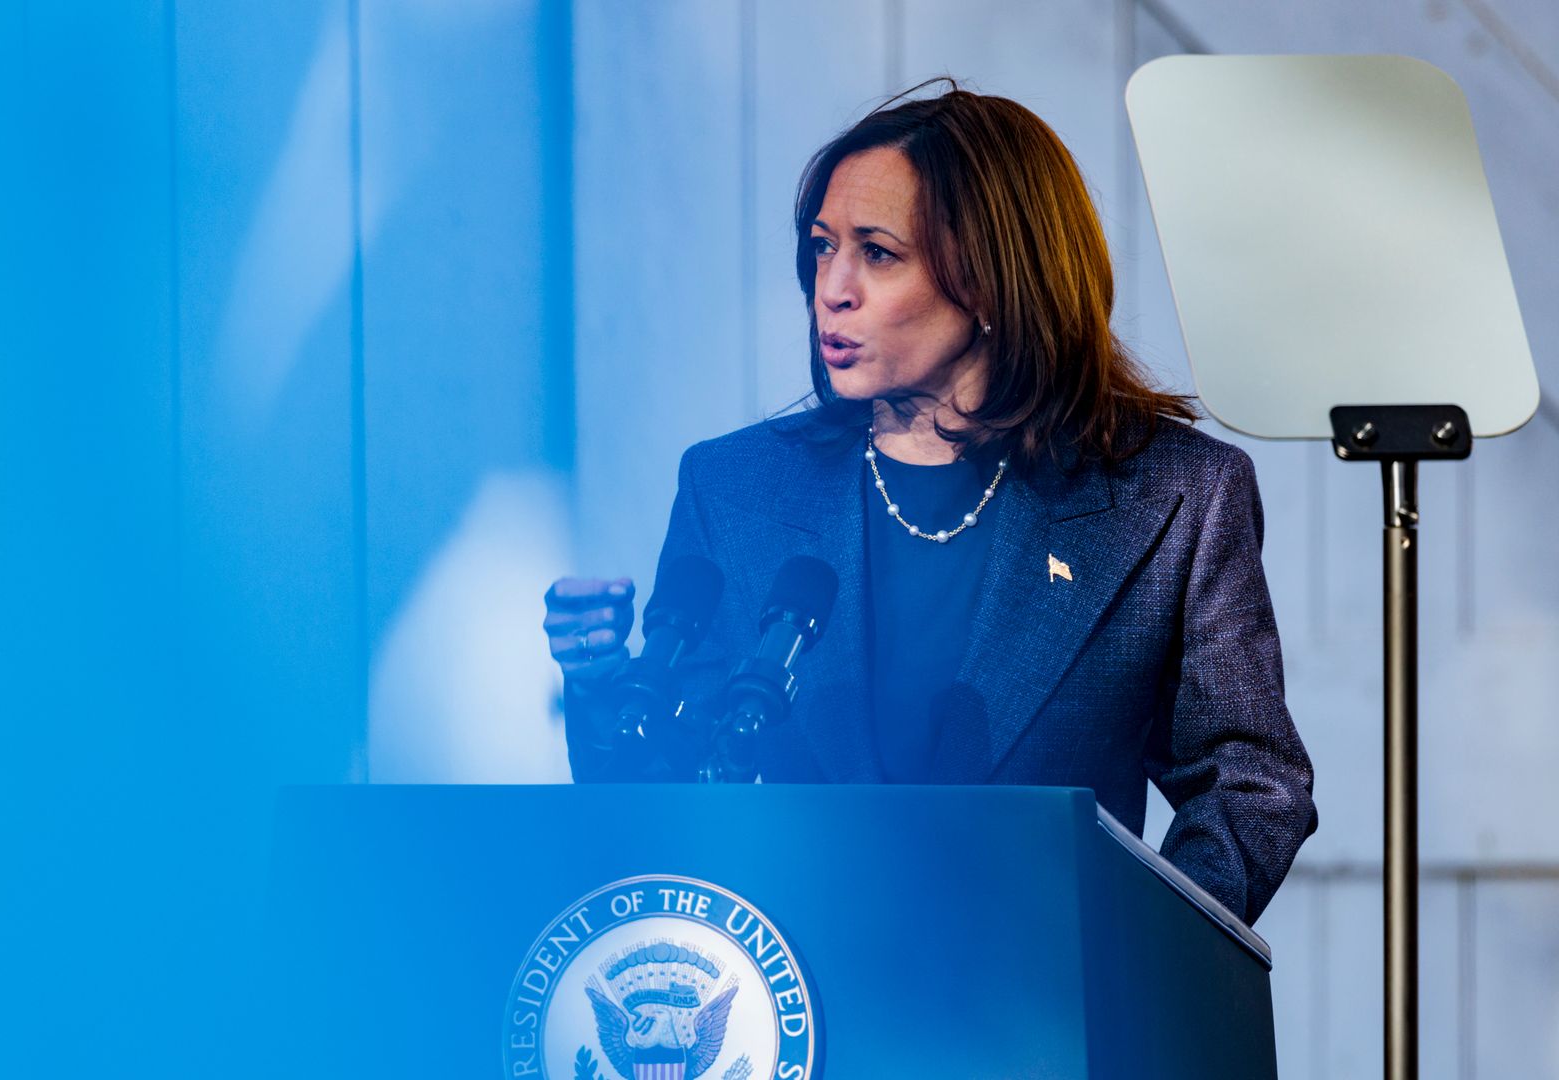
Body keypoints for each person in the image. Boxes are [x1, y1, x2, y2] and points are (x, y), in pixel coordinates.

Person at [540, 80, 1316, 926]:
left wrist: (1143, 951)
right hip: (799, 1010)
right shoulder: (737, 490)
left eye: (877, 253)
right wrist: (601, 683)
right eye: (821, 246)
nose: (830, 288)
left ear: (987, 281)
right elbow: (674, 794)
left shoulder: (1172, 495)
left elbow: (1250, 779)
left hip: (1042, 1023)